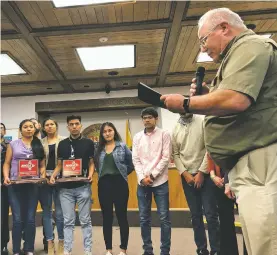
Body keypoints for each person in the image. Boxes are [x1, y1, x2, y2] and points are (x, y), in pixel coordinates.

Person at [160, 8, 277, 255]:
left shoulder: (250, 46)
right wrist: (208, 96)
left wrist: (185, 103)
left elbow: (236, 100)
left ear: (224, 28)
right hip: (250, 163)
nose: (202, 49)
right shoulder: (236, 55)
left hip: (263, 161)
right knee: (259, 240)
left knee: (268, 242)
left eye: (203, 40)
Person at [172, 113, 220, 255]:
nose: (184, 110)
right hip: (187, 178)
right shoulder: (175, 129)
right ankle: (201, 249)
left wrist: (201, 172)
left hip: (204, 175)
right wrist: (185, 174)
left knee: (211, 215)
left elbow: (208, 148)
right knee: (195, 216)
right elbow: (175, 154)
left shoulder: (202, 122)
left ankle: (216, 250)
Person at [50, 115, 95, 255]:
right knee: (68, 222)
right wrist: (52, 175)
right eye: (71, 124)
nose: (74, 126)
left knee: (85, 221)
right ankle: (67, 251)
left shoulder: (88, 142)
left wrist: (91, 174)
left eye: (77, 124)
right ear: (67, 127)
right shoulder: (62, 144)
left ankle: (88, 250)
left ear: (80, 125)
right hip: (65, 190)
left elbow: (91, 163)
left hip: (83, 187)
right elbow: (59, 165)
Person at [3, 119, 46, 255]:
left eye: (31, 127)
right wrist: (6, 176)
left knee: (30, 218)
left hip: (33, 186)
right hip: (15, 185)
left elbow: (42, 165)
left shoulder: (38, 145)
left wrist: (42, 176)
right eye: (25, 127)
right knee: (17, 219)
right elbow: (7, 163)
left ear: (35, 129)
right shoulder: (13, 144)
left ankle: (28, 249)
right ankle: (16, 250)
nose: (28, 129)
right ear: (20, 130)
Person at [132, 107, 171, 255]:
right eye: (144, 117)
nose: (147, 120)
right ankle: (147, 250)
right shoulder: (137, 137)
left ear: (156, 119)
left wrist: (152, 176)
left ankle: (165, 251)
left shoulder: (164, 134)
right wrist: (142, 178)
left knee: (164, 218)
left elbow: (165, 158)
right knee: (143, 218)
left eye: (150, 117)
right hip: (143, 184)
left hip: (160, 181)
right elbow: (135, 159)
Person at [95, 122, 134, 255]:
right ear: (102, 134)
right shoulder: (99, 149)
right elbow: (96, 166)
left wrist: (122, 173)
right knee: (106, 217)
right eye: (104, 131)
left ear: (114, 131)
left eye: (110, 130)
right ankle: (108, 249)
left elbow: (131, 164)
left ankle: (123, 249)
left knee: (121, 215)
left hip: (120, 183)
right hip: (104, 184)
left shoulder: (122, 146)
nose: (107, 133)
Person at [40, 118, 65, 255]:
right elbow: (39, 162)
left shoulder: (64, 141)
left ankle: (61, 241)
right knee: (47, 212)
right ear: (44, 128)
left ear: (56, 126)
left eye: (52, 124)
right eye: (47, 125)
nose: (49, 127)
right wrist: (45, 177)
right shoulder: (39, 142)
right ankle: (49, 242)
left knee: (60, 213)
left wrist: (53, 176)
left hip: (60, 179)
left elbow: (62, 162)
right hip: (44, 180)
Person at [207, 154, 238, 255]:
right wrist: (213, 176)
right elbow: (210, 154)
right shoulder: (212, 139)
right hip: (220, 182)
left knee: (248, 221)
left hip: (239, 178)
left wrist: (228, 180)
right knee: (225, 223)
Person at [1, 123, 10, 255]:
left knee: (3, 216)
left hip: (3, 185)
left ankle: (3, 244)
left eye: (0, 127)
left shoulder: (9, 146)